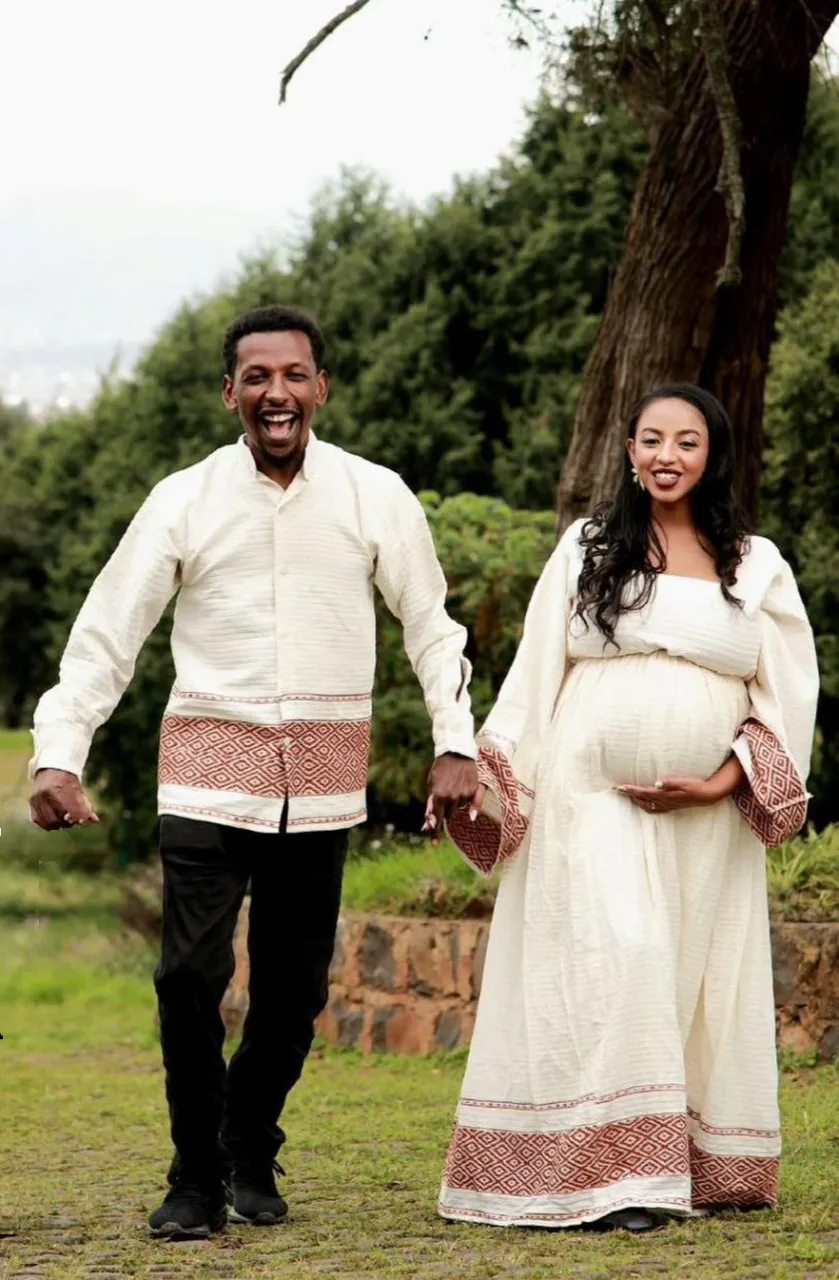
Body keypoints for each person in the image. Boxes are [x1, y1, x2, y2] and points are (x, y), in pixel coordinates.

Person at [28, 304, 479, 1241]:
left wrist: (455, 741)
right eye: (258, 377)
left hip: (319, 780)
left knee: (294, 992)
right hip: (205, 769)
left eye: (294, 375)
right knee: (187, 978)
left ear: (321, 388)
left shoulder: (374, 495)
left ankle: (248, 1141)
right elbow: (109, 634)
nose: (277, 393)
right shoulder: (183, 499)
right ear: (229, 393)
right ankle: (194, 1177)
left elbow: (431, 628)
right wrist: (58, 752)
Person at [439, 383, 819, 1233]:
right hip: (586, 794)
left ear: (712, 456)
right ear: (627, 450)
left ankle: (680, 1167)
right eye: (650, 439)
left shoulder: (754, 563)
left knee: (682, 970)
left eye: (686, 442)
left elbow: (787, 689)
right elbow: (539, 668)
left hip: (704, 817)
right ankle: (621, 1178)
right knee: (622, 953)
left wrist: (722, 781)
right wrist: (481, 774)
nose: (665, 456)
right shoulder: (588, 545)